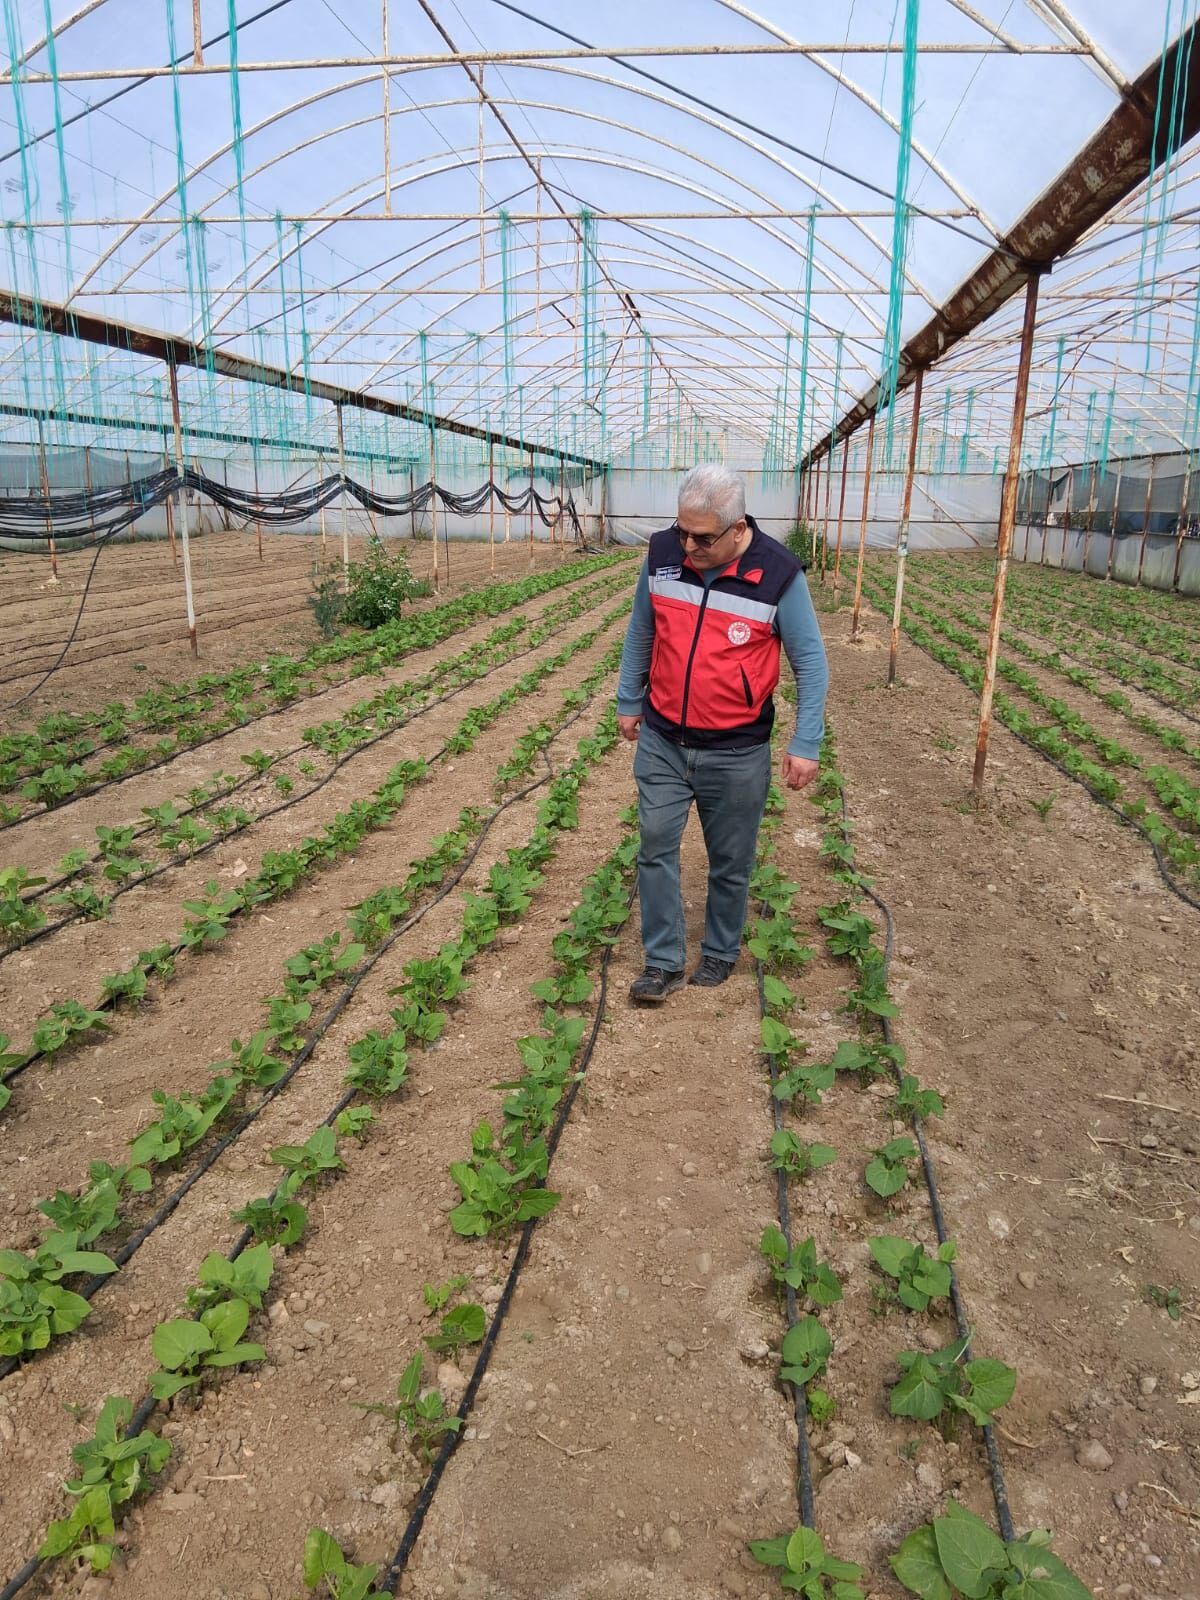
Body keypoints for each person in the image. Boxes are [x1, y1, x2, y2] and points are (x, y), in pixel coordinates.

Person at [616, 464, 829, 1003]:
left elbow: (810, 661)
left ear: (739, 529)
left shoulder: (779, 573)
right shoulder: (663, 554)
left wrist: (806, 743)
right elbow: (643, 628)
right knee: (655, 847)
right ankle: (662, 961)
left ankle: (719, 950)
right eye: (682, 531)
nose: (688, 545)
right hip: (664, 738)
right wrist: (629, 699)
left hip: (737, 751)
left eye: (703, 537)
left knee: (730, 860)